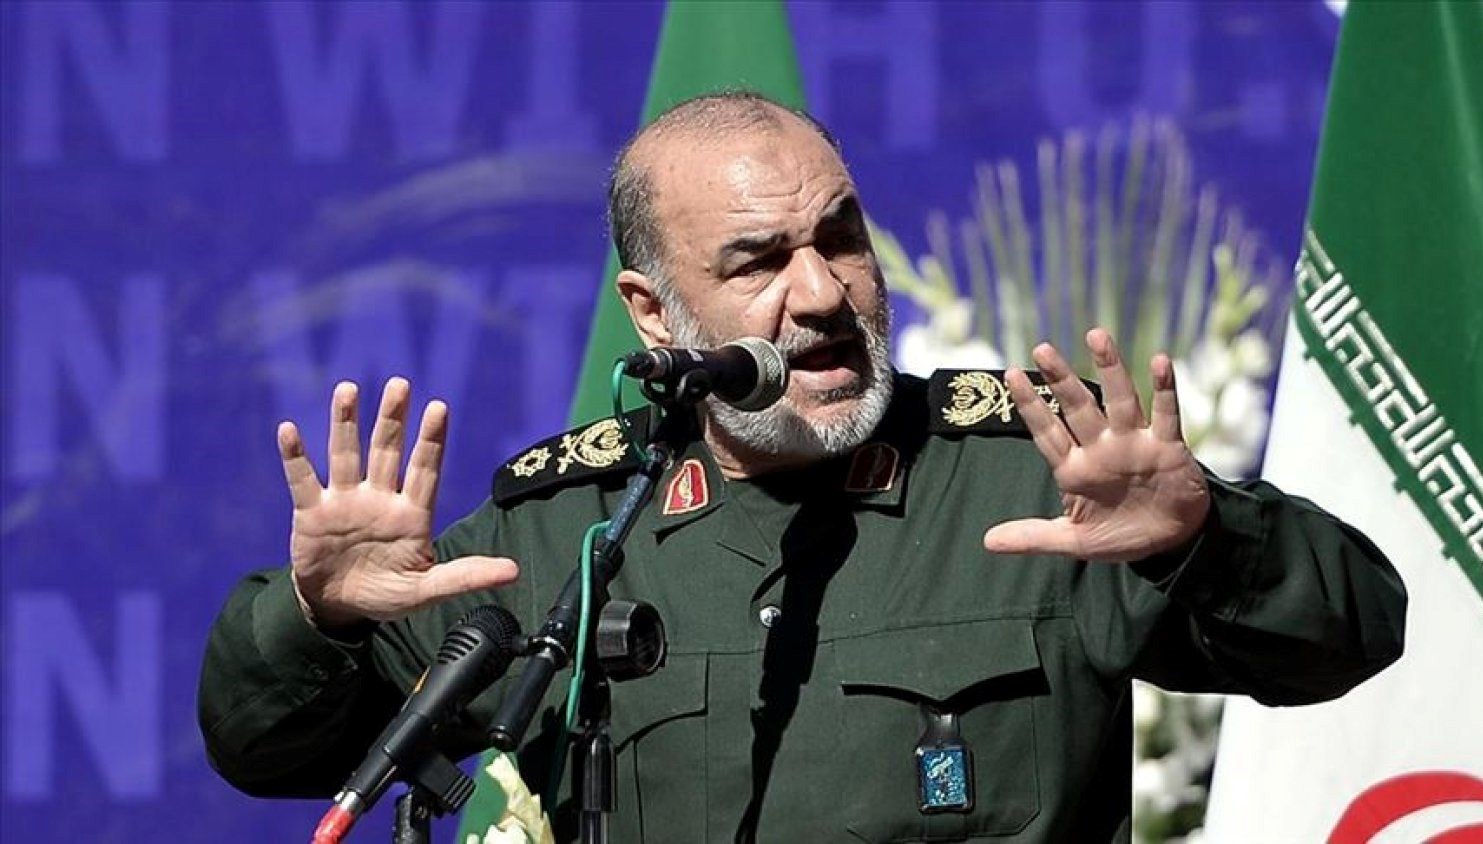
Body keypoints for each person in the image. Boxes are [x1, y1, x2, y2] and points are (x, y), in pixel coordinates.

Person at [199, 92, 1406, 842]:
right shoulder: (566, 530)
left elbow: (1353, 632)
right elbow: (269, 752)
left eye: (841, 238)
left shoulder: (1033, 478)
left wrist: (1206, 539)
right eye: (758, 261)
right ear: (654, 312)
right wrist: (320, 617)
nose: (822, 293)